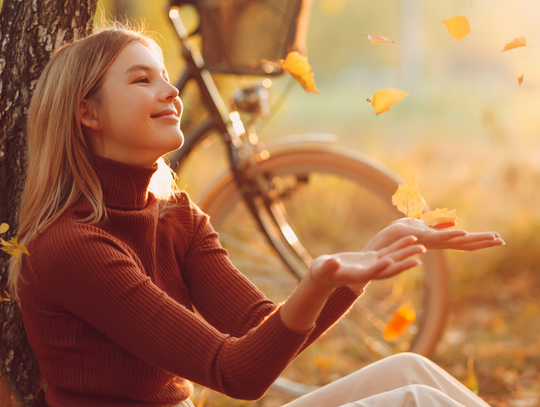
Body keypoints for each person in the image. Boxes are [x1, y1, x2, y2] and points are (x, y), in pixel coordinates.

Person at [8, 25, 504, 407]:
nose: (171, 91)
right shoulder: (71, 247)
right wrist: (319, 280)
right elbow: (236, 373)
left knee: (411, 373)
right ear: (87, 113)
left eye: (165, 76)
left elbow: (260, 331)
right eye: (142, 80)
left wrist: (366, 258)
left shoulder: (177, 219)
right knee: (414, 402)